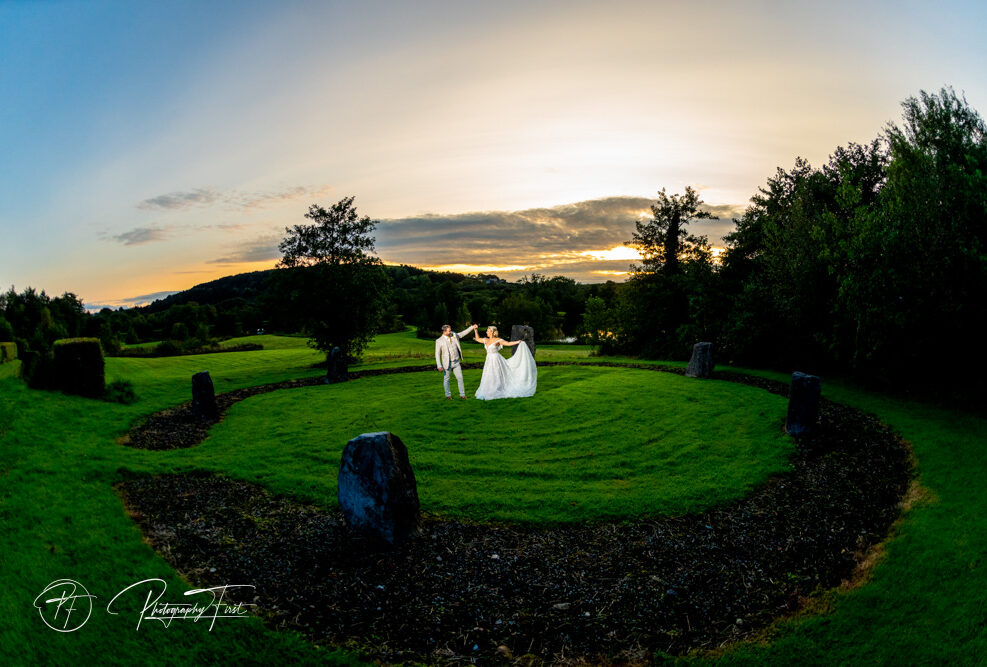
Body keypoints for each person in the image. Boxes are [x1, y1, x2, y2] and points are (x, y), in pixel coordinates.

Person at [472, 325, 537, 400]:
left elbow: (508, 343)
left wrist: (518, 342)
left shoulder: (498, 340)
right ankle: (489, 390)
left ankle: (496, 389)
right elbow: (477, 339)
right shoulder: (486, 340)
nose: (486, 332)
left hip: (496, 359)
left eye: (488, 331)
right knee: (488, 374)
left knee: (495, 374)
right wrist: (475, 330)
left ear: (492, 332)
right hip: (489, 360)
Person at [435, 324, 477, 399]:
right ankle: (448, 395)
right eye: (449, 330)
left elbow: (462, 333)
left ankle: (462, 395)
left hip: (456, 362)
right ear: (444, 331)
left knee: (460, 378)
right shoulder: (439, 341)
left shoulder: (454, 335)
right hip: (447, 363)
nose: (451, 331)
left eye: (450, 330)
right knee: (447, 379)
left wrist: (472, 327)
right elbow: (437, 354)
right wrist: (439, 365)